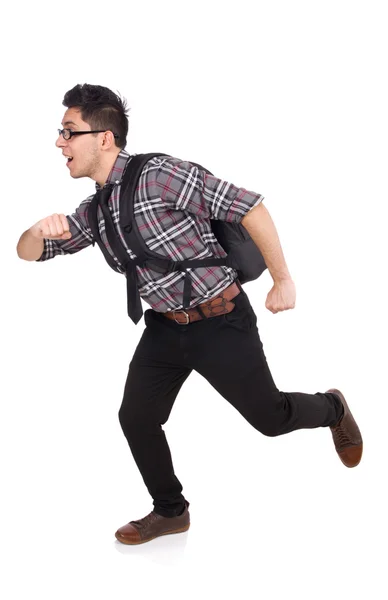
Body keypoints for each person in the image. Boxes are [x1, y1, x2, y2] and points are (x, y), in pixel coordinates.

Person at [16, 83, 363, 546]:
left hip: (221, 321)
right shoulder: (96, 209)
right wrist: (36, 230)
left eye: (68, 131)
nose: (59, 142)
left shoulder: (159, 174)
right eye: (60, 132)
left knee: (270, 418)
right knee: (135, 417)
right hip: (163, 330)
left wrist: (283, 279)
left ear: (104, 137)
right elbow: (28, 253)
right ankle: (171, 512)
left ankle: (333, 407)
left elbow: (250, 206)